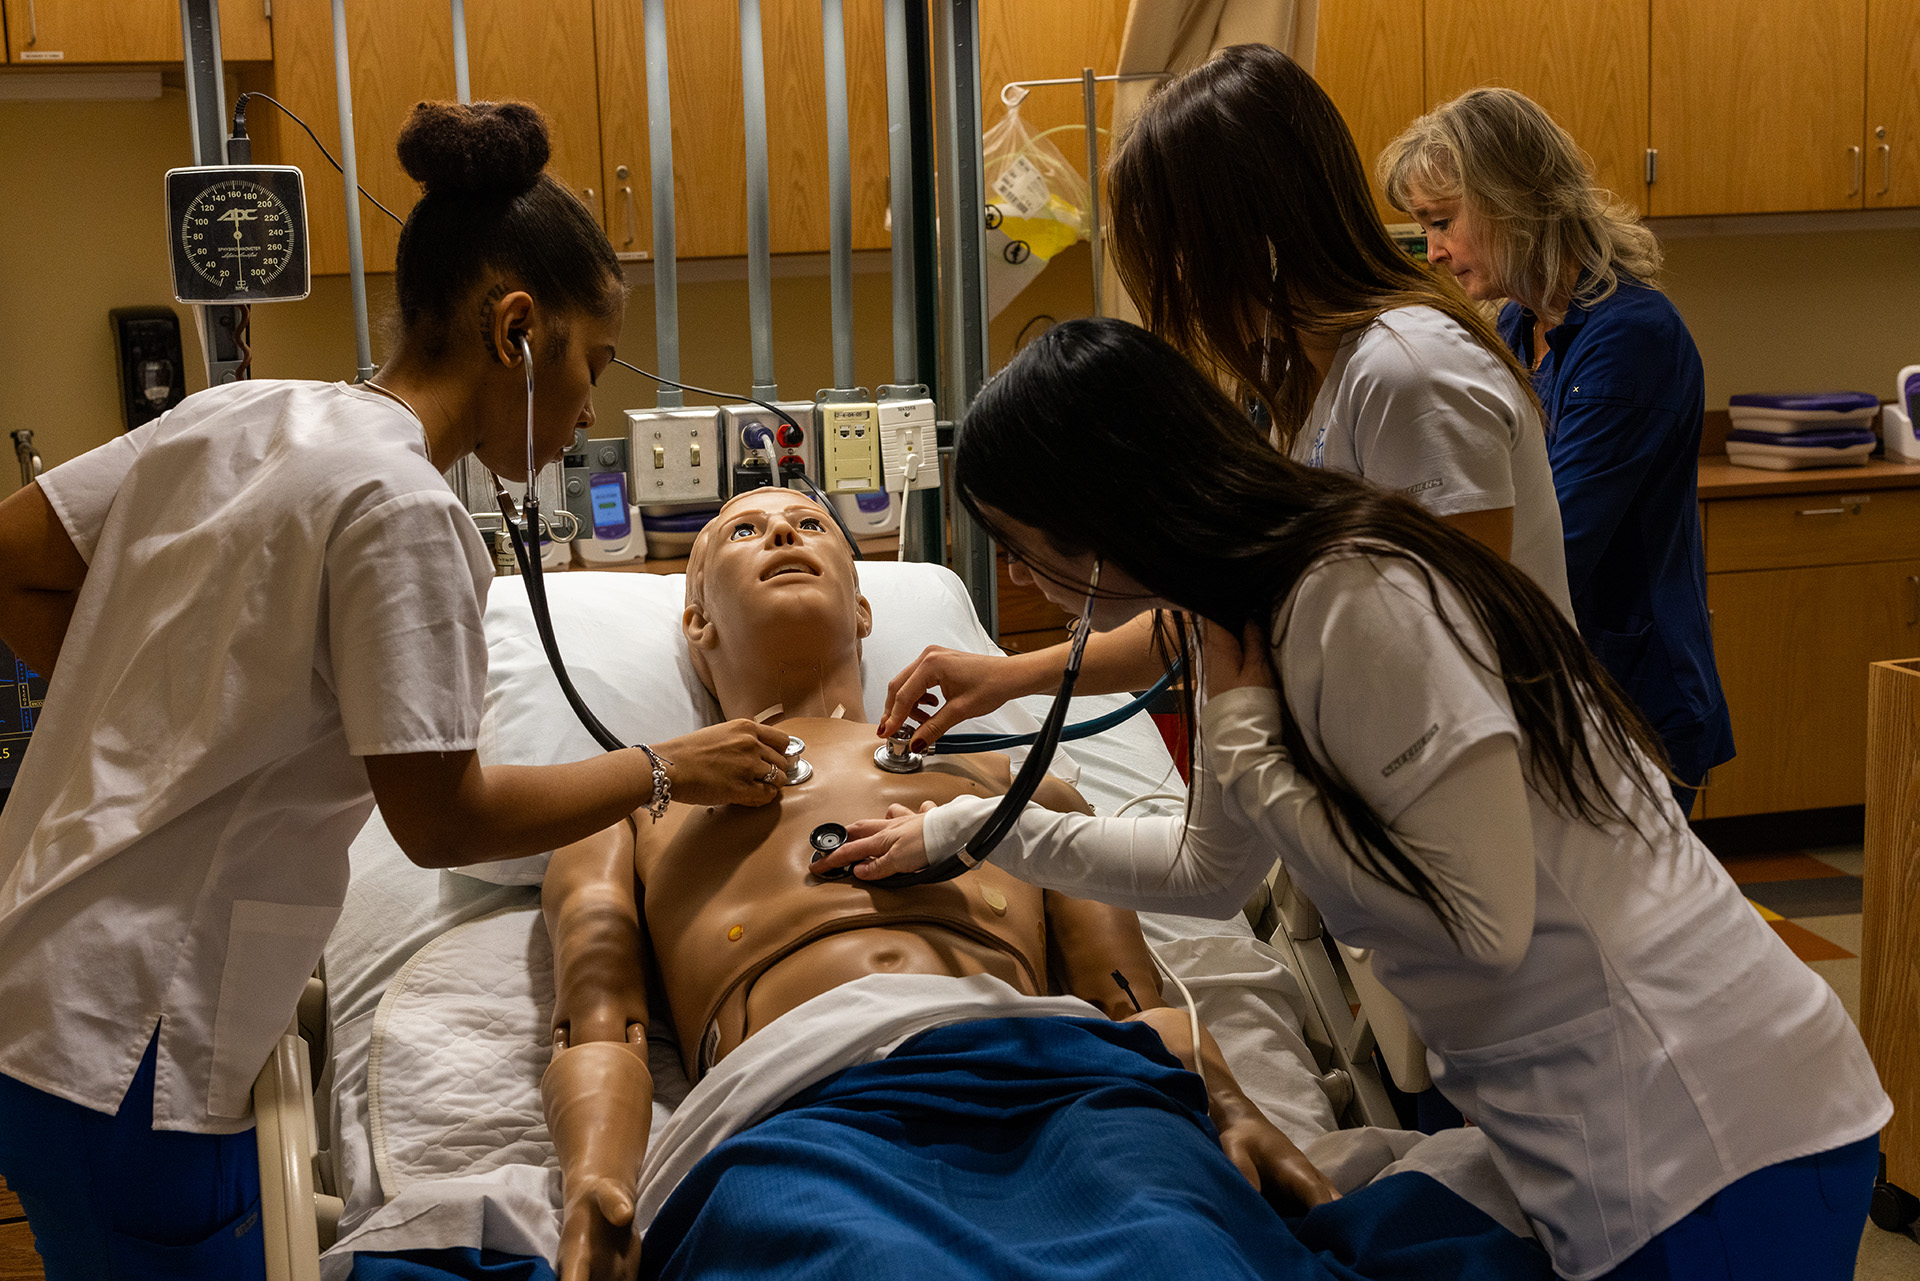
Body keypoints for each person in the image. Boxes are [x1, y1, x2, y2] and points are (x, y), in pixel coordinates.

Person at [815, 320, 1890, 1281]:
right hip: (1593, 1122)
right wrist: (964, 830)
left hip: (1709, 1128)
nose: (1019, 576)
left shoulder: (1355, 593)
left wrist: (1249, 748)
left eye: (1019, 544)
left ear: (1100, 513)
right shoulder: (1236, 613)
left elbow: (1486, 927)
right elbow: (1208, 871)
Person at [0, 101, 790, 1280]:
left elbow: (13, 559)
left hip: (40, 973)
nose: (591, 409)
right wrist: (667, 767)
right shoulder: (404, 510)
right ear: (517, 330)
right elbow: (443, 823)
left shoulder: (236, 413)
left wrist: (167, 722)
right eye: (592, 362)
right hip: (137, 1044)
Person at [533, 486, 1556, 1281]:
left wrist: (1229, 1108)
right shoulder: (635, 802)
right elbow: (600, 1027)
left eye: (810, 525)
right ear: (696, 622)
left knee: (1180, 1255)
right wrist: (597, 1190)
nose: (784, 535)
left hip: (1066, 1085)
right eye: (745, 533)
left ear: (864, 608)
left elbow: (1130, 993)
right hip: (806, 1116)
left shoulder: (1013, 782)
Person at [878, 42, 1569, 752]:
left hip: (1501, 794)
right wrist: (1012, 675)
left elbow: (1446, 650)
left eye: (1177, 253)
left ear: (1248, 236)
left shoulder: (1409, 369)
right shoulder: (1311, 382)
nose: (1178, 285)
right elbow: (1243, 606)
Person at [1379, 87, 1733, 809]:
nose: (1435, 251)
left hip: (1633, 701)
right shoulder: (1517, 325)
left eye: (1442, 222)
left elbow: (1556, 542)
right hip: (1561, 686)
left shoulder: (1630, 337)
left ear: (1511, 200)